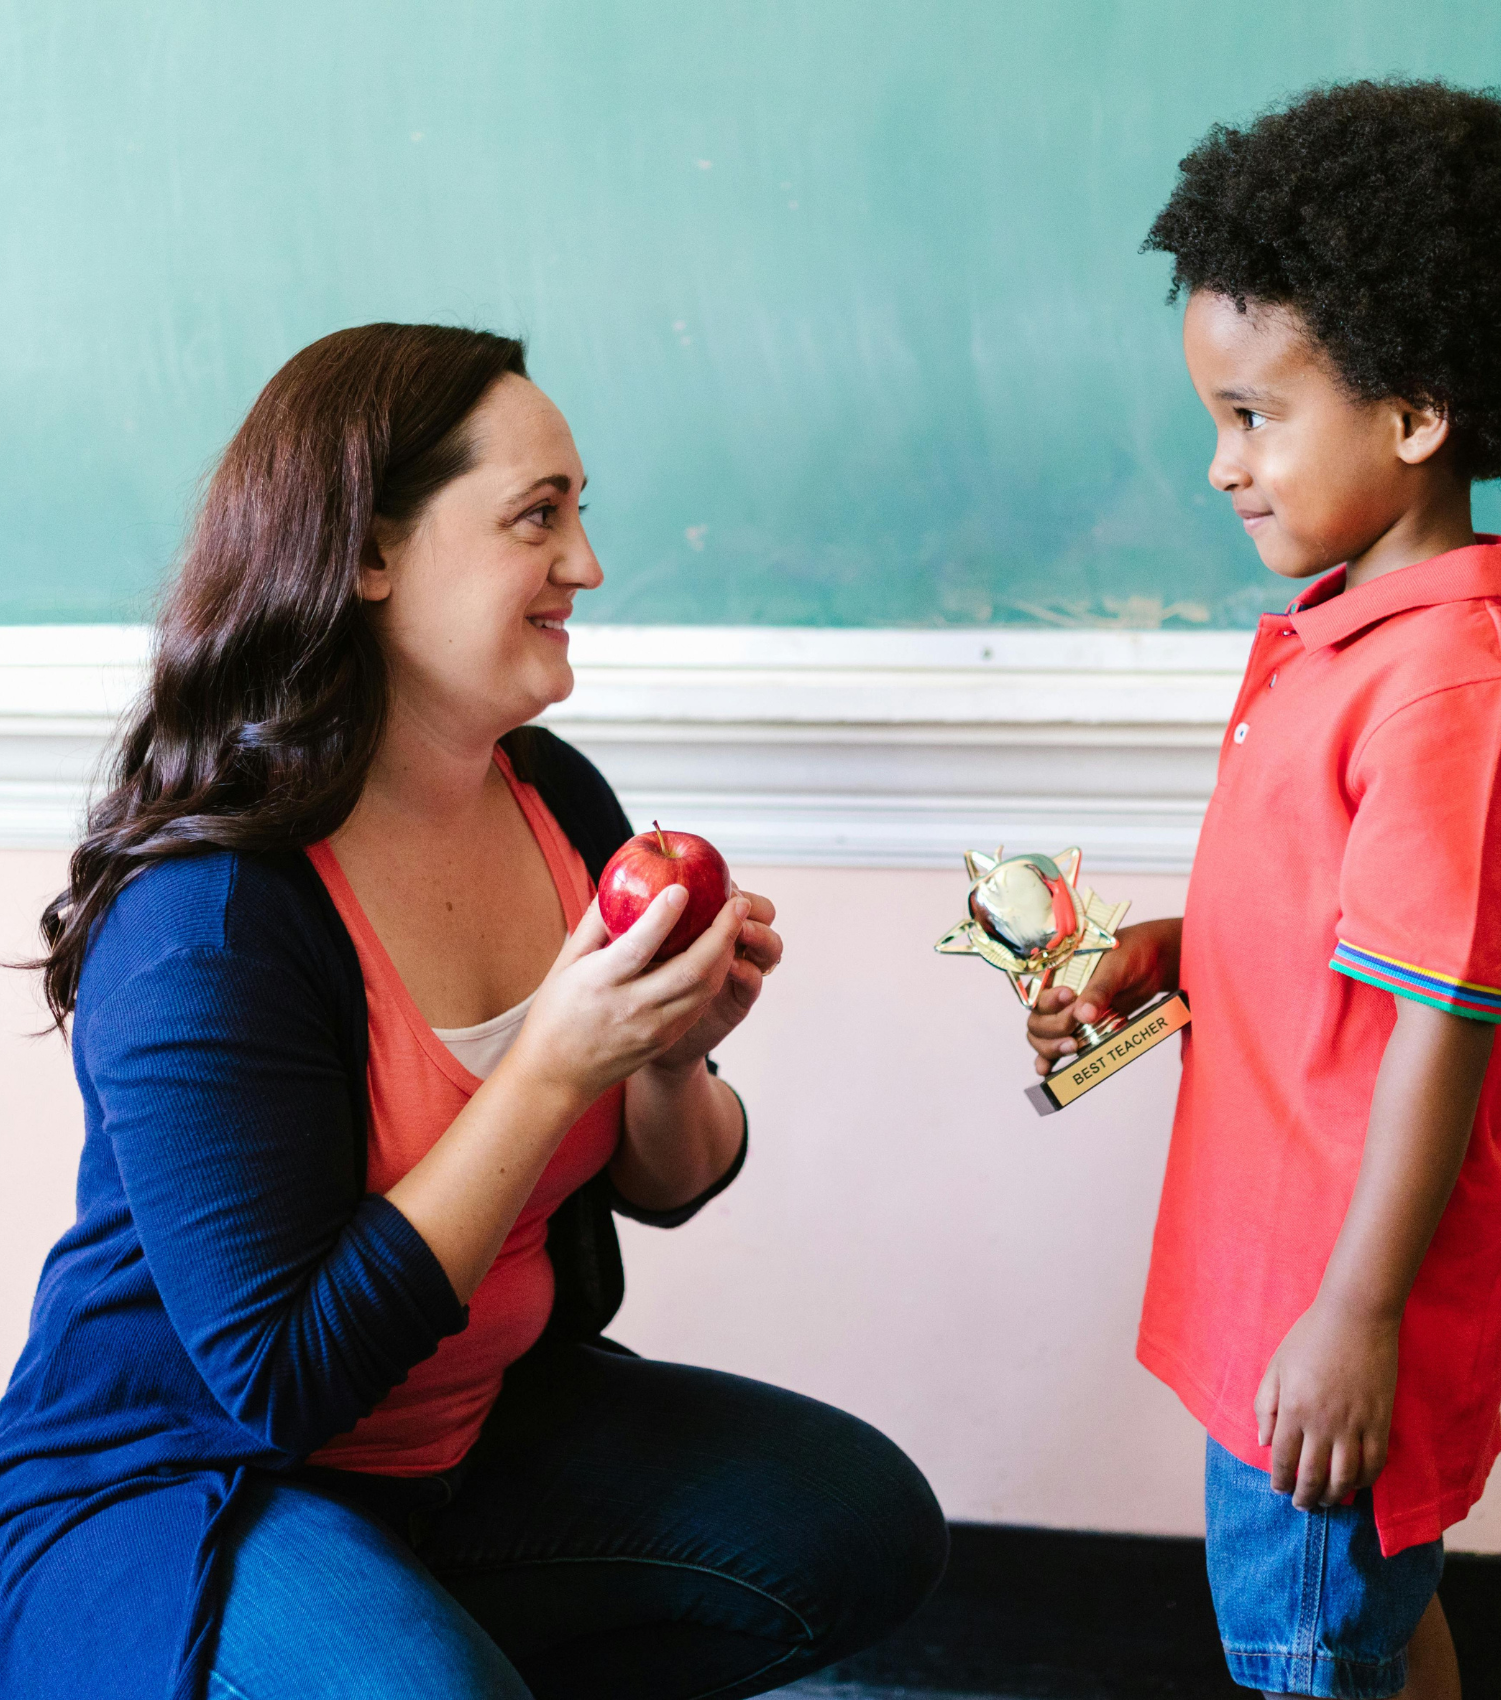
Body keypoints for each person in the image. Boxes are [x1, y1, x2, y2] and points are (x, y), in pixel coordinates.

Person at [0, 324, 947, 1700]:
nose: (588, 565)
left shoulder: (556, 796)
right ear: (372, 556)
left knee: (858, 1527)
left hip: (470, 1440)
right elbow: (279, 1378)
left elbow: (666, 1183)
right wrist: (554, 1071)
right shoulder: (210, 916)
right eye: (536, 518)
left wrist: (670, 1061)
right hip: (197, 1482)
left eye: (581, 512)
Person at [1028, 82, 1501, 1699]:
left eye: (1254, 416)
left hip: (1324, 1325)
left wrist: (1357, 1315)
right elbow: (1332, 935)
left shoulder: (1444, 690)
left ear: (1414, 414)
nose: (1222, 466)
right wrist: (1170, 951)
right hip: (1281, 1291)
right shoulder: (1352, 639)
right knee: (1371, 1634)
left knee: (1306, 1651)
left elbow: (1442, 1022)